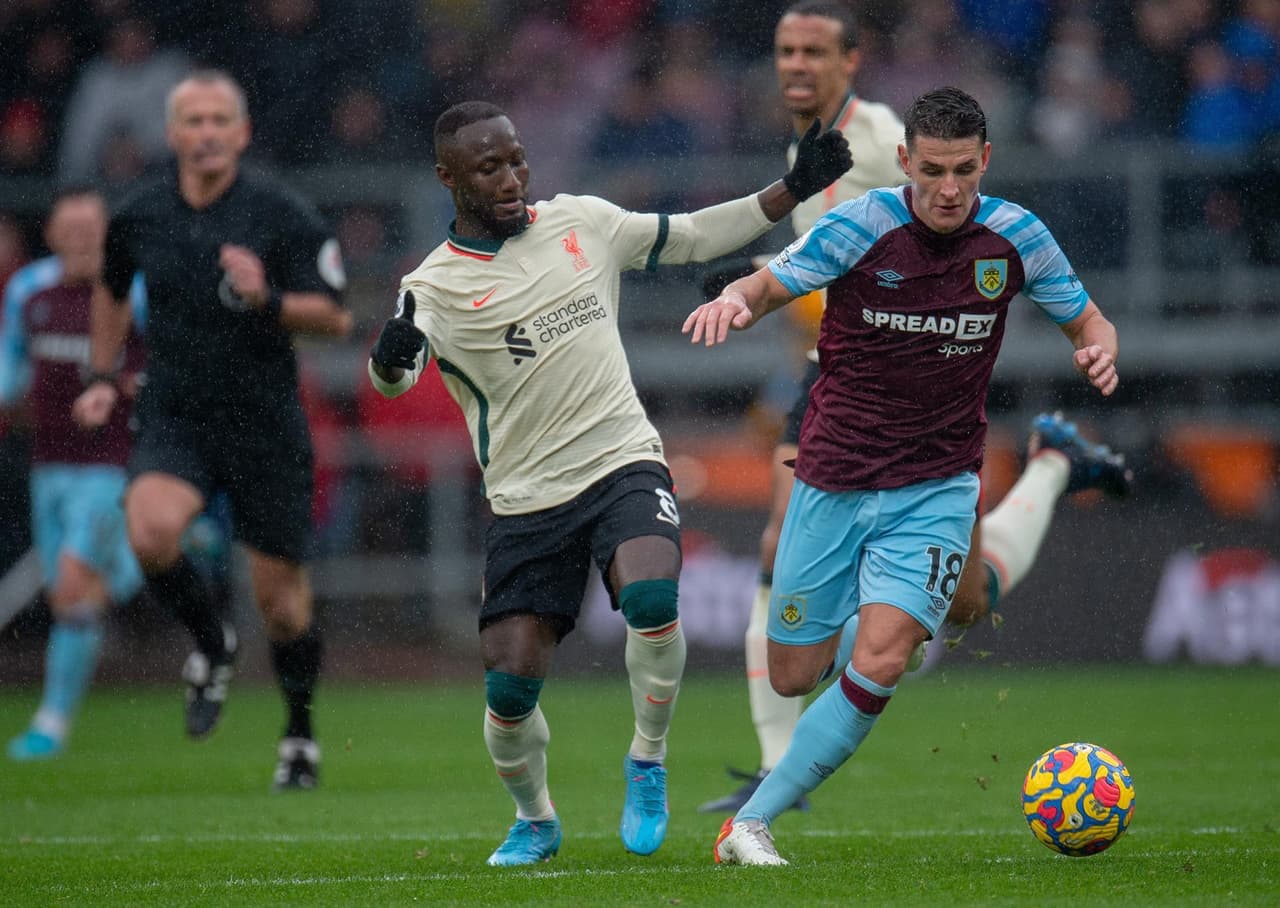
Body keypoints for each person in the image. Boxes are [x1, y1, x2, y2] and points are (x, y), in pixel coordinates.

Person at [367, 100, 852, 866]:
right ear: (448, 178)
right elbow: (393, 379)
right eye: (489, 167)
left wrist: (789, 190)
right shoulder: (431, 287)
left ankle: (648, 760)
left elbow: (691, 236)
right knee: (509, 697)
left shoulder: (580, 221)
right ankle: (536, 819)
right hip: (526, 500)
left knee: (653, 601)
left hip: (622, 460)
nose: (511, 177)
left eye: (517, 158)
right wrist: (391, 356)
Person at [697, 0, 1132, 816]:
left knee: (885, 645)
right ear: (906, 163)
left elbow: (1089, 314)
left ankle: (773, 783)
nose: (947, 188)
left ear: (985, 161)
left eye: (963, 171)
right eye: (931, 171)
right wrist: (738, 297)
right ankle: (1053, 466)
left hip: (938, 470)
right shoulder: (856, 208)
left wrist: (1097, 342)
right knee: (910, 626)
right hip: (845, 431)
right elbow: (788, 270)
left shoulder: (1012, 234)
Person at [71, 70, 352, 790]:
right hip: (178, 413)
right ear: (172, 134)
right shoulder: (138, 214)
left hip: (263, 422)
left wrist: (269, 297)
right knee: (150, 532)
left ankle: (298, 732)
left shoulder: (280, 213)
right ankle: (211, 640)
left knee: (283, 604)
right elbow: (109, 287)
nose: (205, 133)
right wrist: (103, 378)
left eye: (218, 119)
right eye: (192, 120)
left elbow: (337, 316)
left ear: (242, 132)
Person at [0, 187, 145, 760]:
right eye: (73, 229)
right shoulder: (28, 290)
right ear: (54, 235)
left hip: (111, 463)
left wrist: (131, 389)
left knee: (70, 580)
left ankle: (52, 721)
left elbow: (166, 360)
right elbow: (11, 363)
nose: (84, 239)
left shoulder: (132, 290)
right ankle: (157, 556)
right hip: (48, 464)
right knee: (78, 602)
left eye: (94, 228)